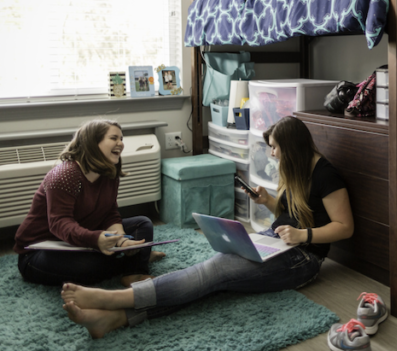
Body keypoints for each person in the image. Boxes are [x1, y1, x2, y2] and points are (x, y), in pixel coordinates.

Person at [59, 115, 354, 339]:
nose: (273, 154)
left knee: (215, 274)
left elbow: (345, 227)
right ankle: (116, 319)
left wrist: (305, 235)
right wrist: (268, 202)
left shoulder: (326, 175)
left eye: (275, 148)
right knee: (213, 275)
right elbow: (294, 214)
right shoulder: (297, 168)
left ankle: (112, 300)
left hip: (304, 258)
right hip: (276, 240)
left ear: (292, 147)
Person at [14, 120, 164, 287]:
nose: (121, 143)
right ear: (92, 142)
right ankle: (137, 259)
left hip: (81, 238)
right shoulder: (64, 175)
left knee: (142, 224)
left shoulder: (109, 172)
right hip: (39, 250)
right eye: (114, 138)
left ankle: (134, 271)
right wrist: (96, 239)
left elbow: (110, 212)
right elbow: (59, 223)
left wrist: (121, 241)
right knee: (91, 266)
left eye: (121, 138)